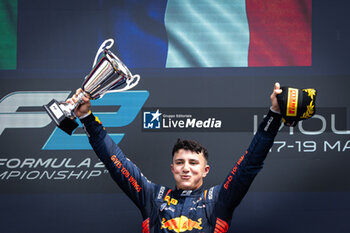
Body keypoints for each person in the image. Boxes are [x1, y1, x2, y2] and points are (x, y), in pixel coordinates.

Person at [67, 83, 283, 233]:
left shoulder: (218, 200)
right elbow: (115, 161)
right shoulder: (153, 197)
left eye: (193, 163)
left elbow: (250, 163)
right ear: (172, 168)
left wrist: (274, 114)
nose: (186, 168)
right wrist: (86, 117)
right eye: (180, 163)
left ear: (205, 170)